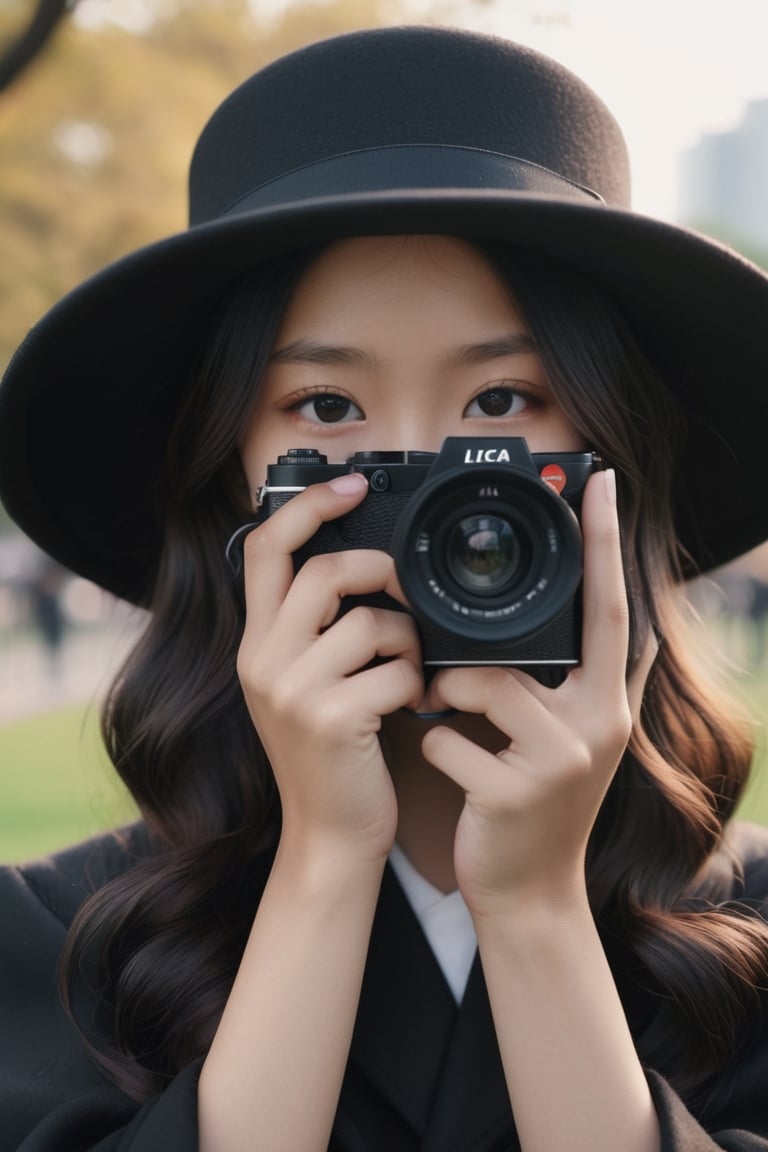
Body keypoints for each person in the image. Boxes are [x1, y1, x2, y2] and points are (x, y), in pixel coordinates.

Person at [1, 24, 768, 1152]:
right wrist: (322, 861)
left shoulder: (745, 943)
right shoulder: (58, 941)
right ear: (230, 487)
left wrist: (537, 909)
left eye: (502, 404)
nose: (434, 478)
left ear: (613, 466)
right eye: (325, 409)